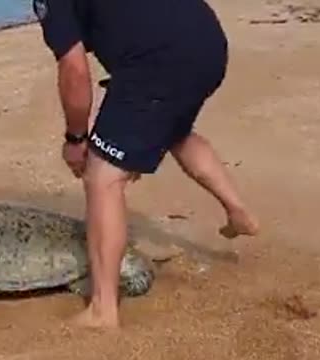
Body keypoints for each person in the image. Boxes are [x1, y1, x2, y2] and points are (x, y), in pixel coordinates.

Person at [32, 0, 260, 328]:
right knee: (174, 129)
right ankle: (239, 212)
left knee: (102, 176)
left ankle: (102, 310)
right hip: (207, 41)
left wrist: (76, 138)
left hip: (158, 59)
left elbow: (74, 70)